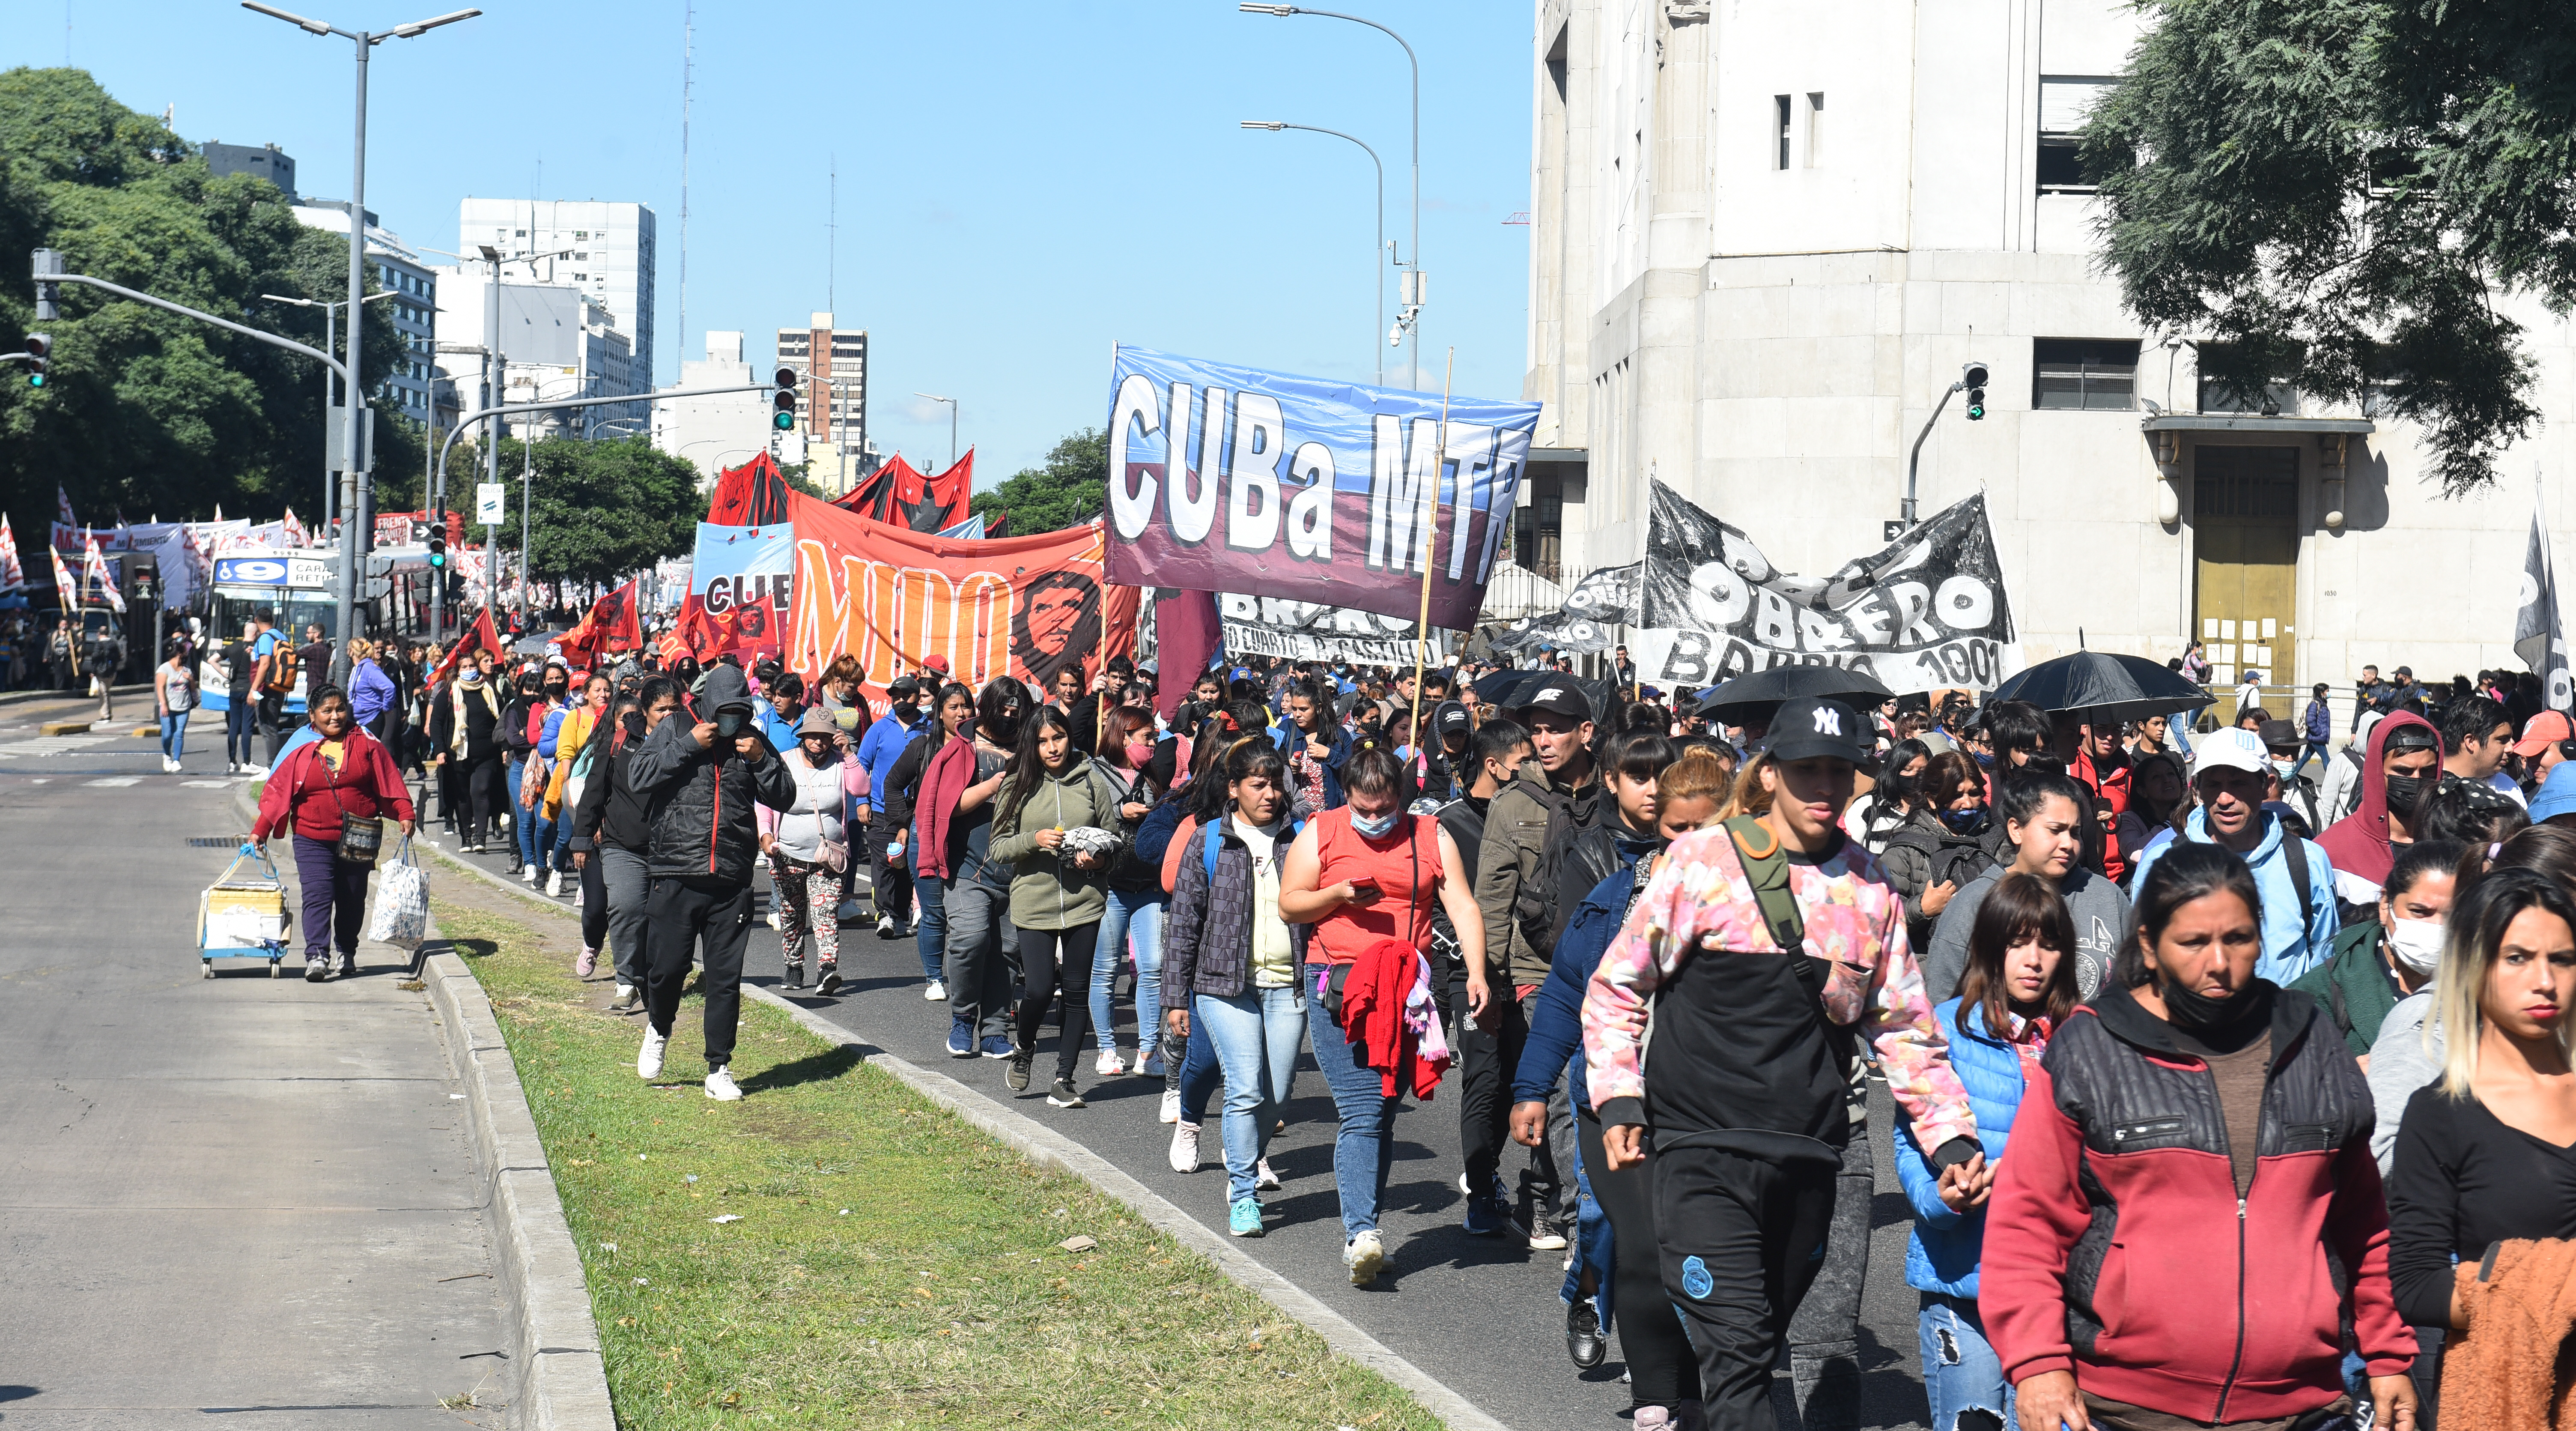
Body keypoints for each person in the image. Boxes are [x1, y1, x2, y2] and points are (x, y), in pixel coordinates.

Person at [1585, 696, 1980, 1431]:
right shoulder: (1700, 863)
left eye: (1839, 772)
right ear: (1768, 776)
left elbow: (1906, 1030)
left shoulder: (1869, 891)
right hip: (1701, 1155)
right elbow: (1616, 989)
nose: (1824, 788)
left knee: (1757, 1347)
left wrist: (1949, 1138)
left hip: (1807, 1161)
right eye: (1807, 772)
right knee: (1736, 1359)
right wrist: (1618, 1099)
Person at [1980, 842, 2418, 1431]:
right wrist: (2037, 1363)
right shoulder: (2092, 1049)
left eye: (2238, 939)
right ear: (2149, 948)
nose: (2219, 962)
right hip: (2131, 1411)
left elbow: (2361, 1221)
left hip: (2303, 1407)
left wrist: (2387, 1353)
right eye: (2192, 943)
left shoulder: (2310, 1038)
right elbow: (2026, 1223)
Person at [1511, 745, 1723, 1429]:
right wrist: (1532, 1088)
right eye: (1675, 832)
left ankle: (1689, 1383)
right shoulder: (1613, 901)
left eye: (1705, 832)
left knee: (1691, 1246)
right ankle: (1654, 1394)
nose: (1687, 847)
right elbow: (1563, 998)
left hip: (1707, 1109)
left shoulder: (1757, 905)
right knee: (1634, 1238)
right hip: (1613, 1102)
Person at [1279, 743, 1485, 1286]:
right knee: (1363, 1108)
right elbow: (1289, 903)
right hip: (1339, 985)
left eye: (1383, 807)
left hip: (1405, 989)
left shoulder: (1429, 835)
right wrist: (1339, 893)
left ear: (1400, 796)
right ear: (1345, 795)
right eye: (1362, 808)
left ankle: (1365, 1225)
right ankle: (1362, 1232)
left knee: (1385, 1108)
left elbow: (1462, 905)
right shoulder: (1321, 830)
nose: (1373, 819)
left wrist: (1479, 973)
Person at [2385, 866, 2576, 1428]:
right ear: (2474, 966)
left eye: (2562, 958)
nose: (2545, 980)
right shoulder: (2439, 1113)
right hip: (2512, 1393)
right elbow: (2416, 1283)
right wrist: (2546, 1292)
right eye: (2517, 958)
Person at [1898, 871, 2081, 1431]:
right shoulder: (1941, 1039)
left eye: (2048, 944)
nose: (2034, 959)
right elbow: (1911, 1155)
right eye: (2018, 942)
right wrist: (1946, 1197)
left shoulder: (2088, 1042)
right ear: (1990, 949)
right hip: (1966, 1285)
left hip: (2062, 1295)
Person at [1466, 682, 1602, 1248]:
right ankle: (1575, 1221)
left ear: (1587, 732)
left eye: (1556, 728)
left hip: (1612, 966)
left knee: (1600, 1089)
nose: (1543, 741)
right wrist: (1489, 979)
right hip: (1537, 969)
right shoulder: (1514, 803)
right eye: (1536, 730)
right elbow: (1492, 897)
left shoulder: (1617, 794)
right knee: (1560, 1087)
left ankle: (1553, 1195)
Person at [629, 663, 796, 1102]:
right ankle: (659, 1028)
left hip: (732, 878)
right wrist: (688, 745)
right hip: (676, 872)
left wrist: (760, 759)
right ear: (704, 705)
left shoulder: (752, 740)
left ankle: (719, 1067)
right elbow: (638, 776)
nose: (730, 721)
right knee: (666, 970)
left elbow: (785, 795)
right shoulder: (677, 727)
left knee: (725, 978)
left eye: (739, 712)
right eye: (723, 712)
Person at [1161, 739, 1305, 1237]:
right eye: (1257, 784)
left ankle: (1246, 1150)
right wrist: (1175, 997)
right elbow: (1183, 923)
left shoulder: (1301, 836)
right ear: (1233, 788)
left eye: (1275, 783)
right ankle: (1243, 1192)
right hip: (1223, 985)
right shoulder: (1208, 840)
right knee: (1244, 1086)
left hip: (1287, 985)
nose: (1270, 793)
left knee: (1278, 1093)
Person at [990, 704, 1128, 1109]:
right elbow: (999, 846)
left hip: (1085, 902)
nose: (1053, 748)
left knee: (1075, 991)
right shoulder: (1018, 784)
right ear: (1032, 744)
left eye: (1059, 738)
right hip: (1034, 902)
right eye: (1043, 741)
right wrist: (1035, 839)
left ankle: (1065, 1079)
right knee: (1037, 988)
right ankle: (1026, 1046)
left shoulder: (1091, 779)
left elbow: (1114, 840)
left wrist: (1099, 858)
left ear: (1070, 737)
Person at [2129, 726, 2342, 984]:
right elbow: (2143, 966)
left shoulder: (2307, 861)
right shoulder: (2160, 865)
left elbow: (2325, 962)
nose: (2226, 798)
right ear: (2197, 790)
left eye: (2240, 783)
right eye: (2214, 785)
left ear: (2267, 786)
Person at [250, 686, 417, 981]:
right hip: (311, 836)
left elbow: (389, 779)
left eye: (340, 709)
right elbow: (279, 794)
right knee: (318, 895)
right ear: (312, 714)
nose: (335, 716)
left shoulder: (366, 741)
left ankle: (347, 950)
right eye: (327, 710)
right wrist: (260, 831)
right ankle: (317, 954)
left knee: (352, 897)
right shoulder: (299, 745)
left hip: (358, 836)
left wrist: (405, 812)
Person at [1925, 770, 2132, 1002]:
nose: (2068, 844)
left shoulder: (2109, 898)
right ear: (2016, 830)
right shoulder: (1975, 902)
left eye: (2074, 832)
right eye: (2055, 830)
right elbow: (1942, 997)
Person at [2288, 838, 2462, 1065]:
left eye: (2453, 916)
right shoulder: (2316, 996)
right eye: (2420, 912)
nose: (2437, 927)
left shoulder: (2484, 993)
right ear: (2385, 905)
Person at [568, 677, 680, 1012]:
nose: (669, 715)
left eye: (674, 708)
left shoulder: (688, 740)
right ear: (645, 711)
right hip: (622, 846)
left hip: (670, 849)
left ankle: (656, 978)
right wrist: (582, 838)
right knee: (626, 908)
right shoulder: (620, 741)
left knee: (664, 919)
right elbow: (593, 792)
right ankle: (627, 980)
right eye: (661, 709)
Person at [930, 681, 1023, 1060]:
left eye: (1017, 711)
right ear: (986, 708)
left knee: (1008, 951)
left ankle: (995, 1030)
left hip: (1019, 871)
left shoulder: (1031, 748)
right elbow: (947, 805)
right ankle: (964, 1017)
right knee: (970, 940)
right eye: (1003, 708)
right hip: (968, 867)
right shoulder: (960, 750)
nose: (1011, 716)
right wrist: (994, 785)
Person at [1089, 705, 1177, 1075]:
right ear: (1124, 737)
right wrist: (1118, 813)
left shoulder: (1153, 776)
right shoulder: (1093, 772)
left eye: (1154, 737)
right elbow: (1083, 820)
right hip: (1112, 886)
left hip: (1150, 885)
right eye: (1147, 738)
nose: (1153, 744)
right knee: (1106, 969)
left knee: (1153, 967)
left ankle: (1148, 1051)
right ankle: (1107, 1048)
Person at [759, 706, 867, 993]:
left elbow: (862, 788)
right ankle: (794, 966)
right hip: (788, 855)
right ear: (802, 736)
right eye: (812, 736)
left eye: (825, 737)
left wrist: (849, 754)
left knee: (826, 912)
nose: (818, 742)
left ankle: (827, 969)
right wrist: (765, 834)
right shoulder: (784, 762)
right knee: (792, 913)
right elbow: (765, 803)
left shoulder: (841, 764)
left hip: (827, 857)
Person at [2317, 710, 2442, 916]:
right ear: (2377, 770)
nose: (2417, 780)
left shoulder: (2450, 843)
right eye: (2403, 772)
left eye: (2427, 772)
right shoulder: (2329, 852)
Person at [1878, 750, 1998, 957]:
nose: (1967, 804)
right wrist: (1923, 908)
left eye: (1974, 793)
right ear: (1932, 800)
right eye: (1956, 796)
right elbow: (1878, 920)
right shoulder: (1905, 850)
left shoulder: (1997, 839)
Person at [858, 675, 925, 943]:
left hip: (915, 813)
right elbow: (861, 766)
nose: (899, 701)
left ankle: (902, 913)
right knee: (884, 863)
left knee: (908, 864)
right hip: (881, 810)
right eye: (894, 697)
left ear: (917, 698)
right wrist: (862, 802)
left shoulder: (928, 729)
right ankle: (885, 913)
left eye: (904, 696)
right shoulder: (879, 729)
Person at [429, 654, 506, 853]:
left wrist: (504, 747)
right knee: (462, 797)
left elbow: (501, 720)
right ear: (458, 670)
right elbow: (436, 724)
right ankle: (466, 838)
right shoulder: (447, 693)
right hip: (457, 756)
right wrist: (439, 751)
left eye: (473, 666)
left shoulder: (489, 691)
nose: (469, 670)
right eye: (464, 667)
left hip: (487, 755)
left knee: (480, 791)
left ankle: (481, 836)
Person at [1275, 678, 1353, 818]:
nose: (1298, 714)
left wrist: (1330, 755)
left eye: (1304, 709)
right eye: (1294, 709)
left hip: (1331, 816)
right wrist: (1286, 767)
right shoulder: (1284, 731)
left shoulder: (1338, 735)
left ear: (1318, 708)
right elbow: (1267, 765)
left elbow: (1355, 773)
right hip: (1294, 818)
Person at [2439, 693, 2523, 808]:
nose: (2510, 749)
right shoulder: (2431, 786)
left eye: (2510, 740)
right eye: (2502, 740)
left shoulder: (2508, 787)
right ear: (2471, 742)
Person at [219, 621, 259, 775]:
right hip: (250, 689)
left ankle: (232, 761)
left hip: (234, 689)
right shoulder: (256, 648)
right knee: (247, 726)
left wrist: (225, 675)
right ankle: (247, 761)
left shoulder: (233, 647)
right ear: (255, 633)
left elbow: (212, 660)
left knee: (234, 725)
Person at [153, 637, 195, 774]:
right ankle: (166, 755)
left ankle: (177, 760)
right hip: (169, 707)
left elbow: (193, 688)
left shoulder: (187, 670)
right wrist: (163, 705)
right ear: (179, 654)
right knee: (167, 734)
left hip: (184, 707)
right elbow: (160, 688)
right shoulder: (164, 669)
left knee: (179, 733)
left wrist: (191, 679)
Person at [348, 638, 397, 741]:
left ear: (353, 651)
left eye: (348, 649)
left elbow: (390, 687)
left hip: (372, 719)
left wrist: (387, 708)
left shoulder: (369, 668)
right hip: (359, 720)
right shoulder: (357, 669)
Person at [2296, 681, 2334, 782]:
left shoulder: (2322, 704)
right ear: (2322, 693)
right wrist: (2319, 732)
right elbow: (2310, 721)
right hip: (2317, 738)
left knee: (2305, 758)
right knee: (2326, 758)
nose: (2329, 693)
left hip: (2315, 738)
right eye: (2327, 691)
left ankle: (2293, 776)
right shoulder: (2315, 704)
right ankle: (2332, 781)